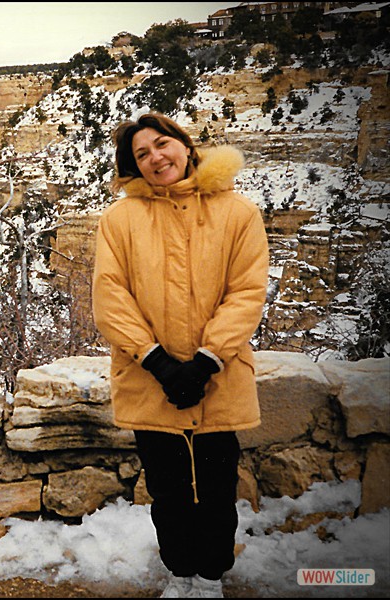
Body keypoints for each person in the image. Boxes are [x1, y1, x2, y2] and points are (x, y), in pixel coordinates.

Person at [92, 113, 269, 599]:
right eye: (141, 155)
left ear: (186, 146)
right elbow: (110, 296)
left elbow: (248, 291)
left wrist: (207, 359)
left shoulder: (238, 213)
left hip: (220, 377)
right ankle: (179, 573)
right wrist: (157, 361)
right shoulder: (119, 220)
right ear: (133, 168)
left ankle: (210, 576)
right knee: (167, 490)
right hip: (149, 380)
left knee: (215, 488)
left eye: (161, 144)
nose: (155, 158)